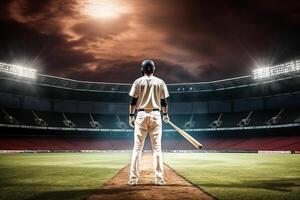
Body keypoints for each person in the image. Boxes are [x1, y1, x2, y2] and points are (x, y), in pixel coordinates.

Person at [128, 59, 170, 186]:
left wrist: (131, 115)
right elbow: (164, 102)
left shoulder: (138, 82)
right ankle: (159, 179)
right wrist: (166, 114)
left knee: (137, 149)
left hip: (141, 115)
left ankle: (133, 179)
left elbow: (132, 102)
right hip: (156, 114)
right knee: (157, 149)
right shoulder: (160, 82)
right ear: (153, 69)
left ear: (142, 69)